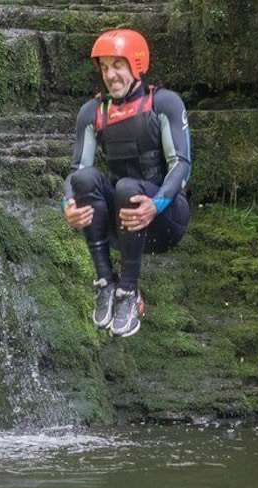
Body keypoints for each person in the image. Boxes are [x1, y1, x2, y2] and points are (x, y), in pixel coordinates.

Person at [61, 28, 192, 337]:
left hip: (165, 218)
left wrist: (156, 203)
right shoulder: (92, 112)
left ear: (136, 65)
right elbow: (76, 170)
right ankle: (106, 281)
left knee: (127, 188)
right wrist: (66, 204)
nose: (110, 75)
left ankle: (129, 292)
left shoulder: (164, 103)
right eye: (104, 67)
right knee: (85, 179)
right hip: (123, 224)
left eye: (117, 65)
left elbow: (182, 165)